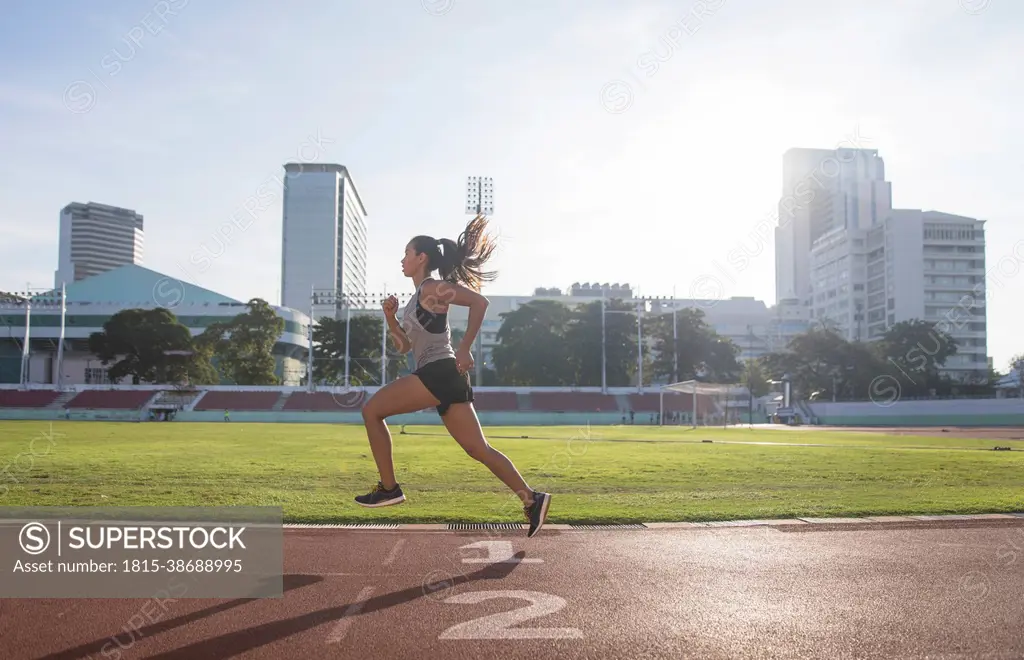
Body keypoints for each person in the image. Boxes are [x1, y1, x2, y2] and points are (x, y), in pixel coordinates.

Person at [354, 214, 551, 537]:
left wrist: (465, 347)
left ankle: (389, 488)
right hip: (444, 378)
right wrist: (389, 317)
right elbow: (404, 347)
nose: (401, 260)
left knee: (372, 411)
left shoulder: (432, 288)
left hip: (440, 371)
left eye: (406, 253)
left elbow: (478, 302)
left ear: (421, 258)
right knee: (479, 449)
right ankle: (532, 499)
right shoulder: (415, 300)